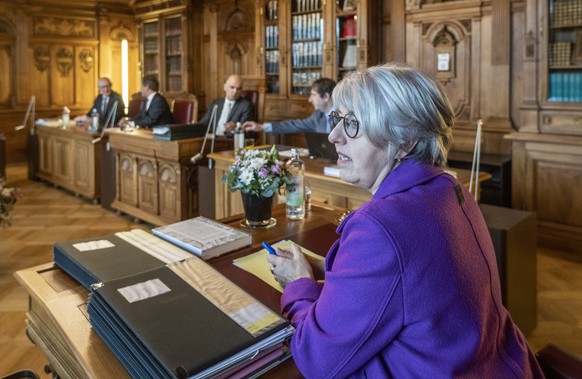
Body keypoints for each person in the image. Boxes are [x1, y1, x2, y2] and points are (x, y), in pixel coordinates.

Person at [266, 64, 544, 378]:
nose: (333, 136)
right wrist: (330, 272)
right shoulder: (451, 189)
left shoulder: (379, 226)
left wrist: (299, 285)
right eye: (336, 119)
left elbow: (317, 358)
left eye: (353, 124)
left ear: (406, 141)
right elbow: (409, 282)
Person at [242, 77, 336, 135]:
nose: (309, 99)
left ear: (326, 96)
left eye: (314, 95)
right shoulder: (318, 116)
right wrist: (262, 127)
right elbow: (294, 125)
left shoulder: (345, 116)